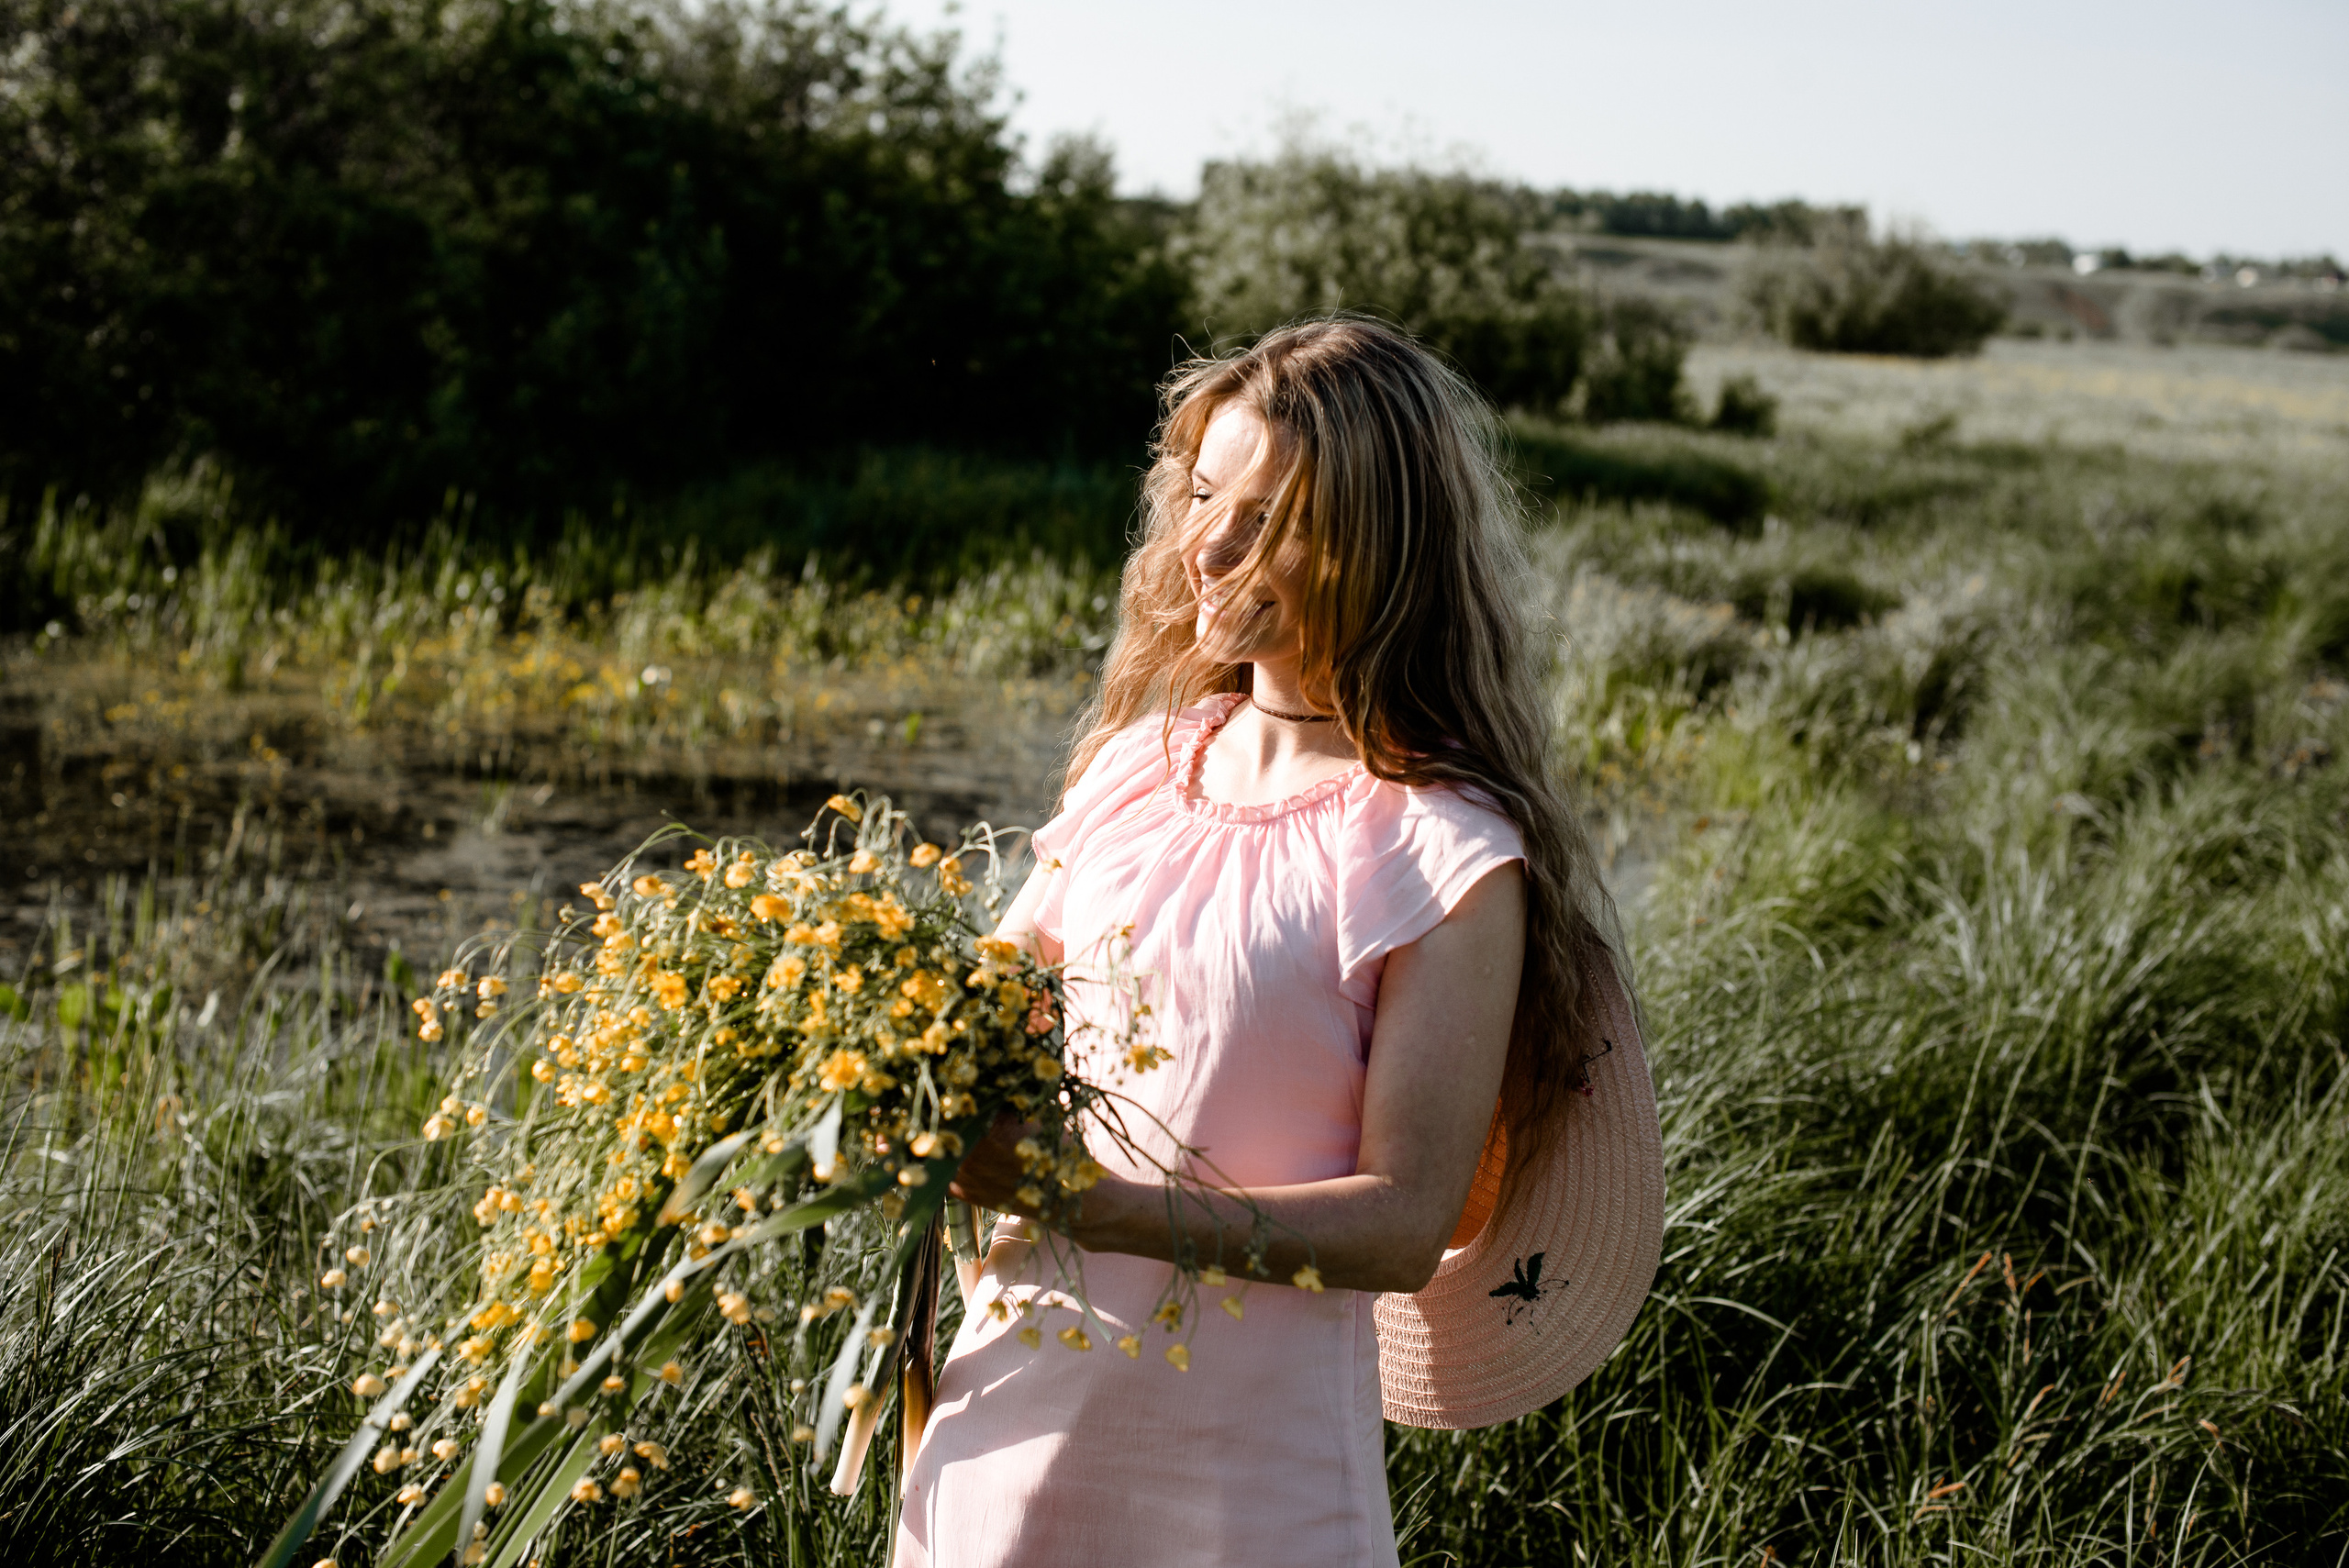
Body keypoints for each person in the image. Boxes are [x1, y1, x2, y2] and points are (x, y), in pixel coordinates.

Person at [894, 317, 1636, 1568]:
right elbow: (984, 1020)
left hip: (1243, 1491)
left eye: (1270, 515)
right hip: (1002, 1434)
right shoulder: (1136, 773)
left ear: (1379, 548)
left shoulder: (1439, 850)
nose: (1208, 543)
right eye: (1199, 494)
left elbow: (1405, 1223)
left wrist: (1088, 1204)